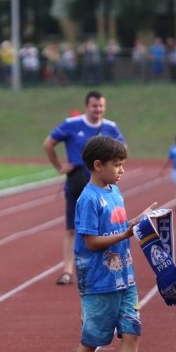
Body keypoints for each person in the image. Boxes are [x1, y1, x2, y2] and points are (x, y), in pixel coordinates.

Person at [70, 135, 156, 352]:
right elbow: (92, 242)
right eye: (117, 165)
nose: (122, 171)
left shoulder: (114, 192)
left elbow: (119, 228)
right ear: (98, 165)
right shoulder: (88, 199)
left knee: (132, 332)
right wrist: (127, 233)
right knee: (92, 339)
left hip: (125, 278)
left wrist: (136, 223)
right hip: (98, 281)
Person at [43, 90, 125, 286]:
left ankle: (106, 267)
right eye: (94, 106)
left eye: (101, 106)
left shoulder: (110, 127)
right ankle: (67, 272)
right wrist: (59, 167)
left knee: (105, 226)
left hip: (103, 185)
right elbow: (48, 143)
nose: (98, 109)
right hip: (77, 181)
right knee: (72, 228)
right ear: (87, 106)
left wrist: (115, 169)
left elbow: (122, 149)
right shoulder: (71, 124)